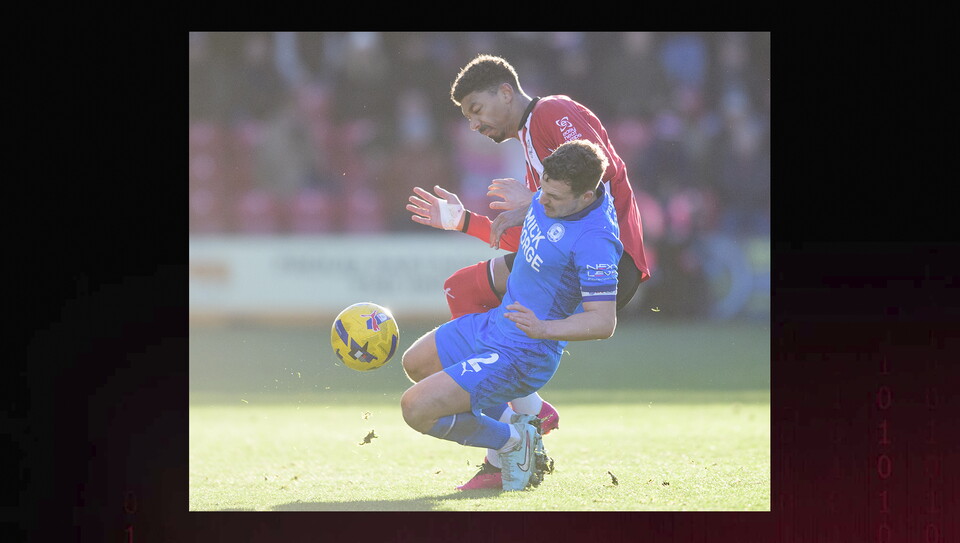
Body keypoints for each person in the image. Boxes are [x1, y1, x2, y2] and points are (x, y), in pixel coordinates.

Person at [406, 53, 650, 489]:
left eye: (476, 111)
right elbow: (536, 241)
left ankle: (513, 434)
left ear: (505, 92)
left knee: (471, 297)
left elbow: (602, 170)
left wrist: (532, 201)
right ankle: (527, 411)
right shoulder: (532, 145)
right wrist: (463, 221)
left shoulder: (551, 112)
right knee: (462, 288)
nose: (475, 126)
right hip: (574, 258)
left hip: (613, 260)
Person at [401, 140, 622, 491]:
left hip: (523, 353)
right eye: (542, 189)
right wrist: (464, 220)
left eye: (553, 196)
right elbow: (536, 229)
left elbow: (603, 321)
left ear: (585, 197)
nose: (542, 199)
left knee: (416, 409)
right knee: (416, 363)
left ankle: (513, 443)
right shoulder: (556, 197)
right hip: (496, 325)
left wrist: (543, 328)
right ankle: (525, 417)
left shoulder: (596, 242)